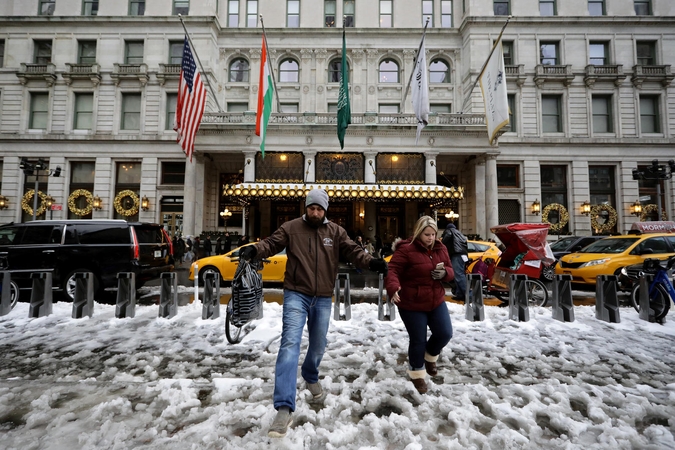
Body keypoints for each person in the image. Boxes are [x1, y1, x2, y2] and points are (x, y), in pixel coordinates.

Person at [239, 189, 388, 438]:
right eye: (312, 208)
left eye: (319, 209)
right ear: (306, 207)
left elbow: (353, 251)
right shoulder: (291, 227)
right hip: (296, 294)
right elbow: (271, 243)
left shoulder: (335, 232)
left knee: (318, 345)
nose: (315, 212)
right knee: (289, 345)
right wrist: (255, 250)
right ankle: (284, 407)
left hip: (322, 297)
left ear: (325, 210)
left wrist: (371, 261)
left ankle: (310, 374)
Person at [385, 216, 454, 394]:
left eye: (433, 234)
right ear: (418, 233)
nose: (431, 238)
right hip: (411, 302)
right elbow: (393, 270)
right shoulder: (406, 249)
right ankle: (417, 373)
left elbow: (451, 270)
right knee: (418, 340)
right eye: (427, 234)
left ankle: (430, 356)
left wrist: (444, 273)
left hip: (435, 299)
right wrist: (393, 287)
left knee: (445, 332)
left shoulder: (441, 247)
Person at [442, 223, 469, 301]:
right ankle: (460, 294)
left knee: (459, 275)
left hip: (457, 254)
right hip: (462, 255)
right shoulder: (459, 233)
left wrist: (441, 242)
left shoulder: (449, 231)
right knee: (459, 275)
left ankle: (468, 295)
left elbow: (447, 237)